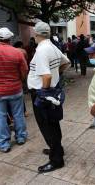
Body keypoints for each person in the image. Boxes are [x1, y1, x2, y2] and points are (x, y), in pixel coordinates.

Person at [27, 21, 70, 173]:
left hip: (43, 93)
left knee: (47, 126)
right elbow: (66, 63)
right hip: (51, 92)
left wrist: (44, 93)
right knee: (53, 124)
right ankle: (56, 148)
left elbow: (46, 76)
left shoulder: (42, 50)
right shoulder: (52, 46)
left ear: (36, 34)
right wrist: (56, 76)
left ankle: (56, 160)